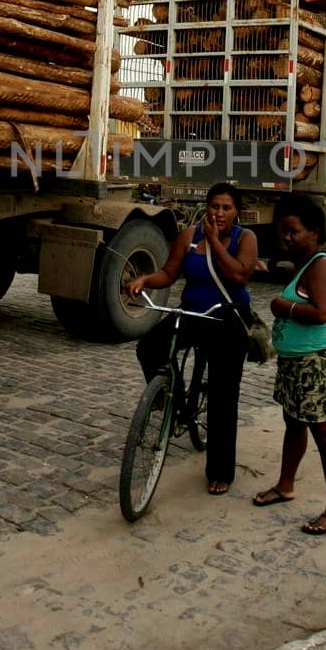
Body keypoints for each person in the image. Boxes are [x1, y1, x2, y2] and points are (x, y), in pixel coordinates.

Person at [126, 182, 257, 496]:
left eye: (226, 208)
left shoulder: (245, 238)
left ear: (236, 211)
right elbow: (169, 274)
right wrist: (145, 279)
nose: (219, 213)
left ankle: (221, 472)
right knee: (149, 346)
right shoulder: (188, 236)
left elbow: (239, 275)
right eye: (214, 206)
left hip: (227, 319)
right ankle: (171, 399)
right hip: (193, 313)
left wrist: (214, 241)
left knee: (223, 400)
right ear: (206, 207)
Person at [251, 196, 326, 535]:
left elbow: (320, 313)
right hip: (294, 363)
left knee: (324, 432)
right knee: (293, 423)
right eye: (284, 231)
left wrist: (283, 307)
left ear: (314, 232)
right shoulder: (304, 264)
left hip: (313, 365)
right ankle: (285, 484)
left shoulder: (321, 267)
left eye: (293, 232)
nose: (286, 237)